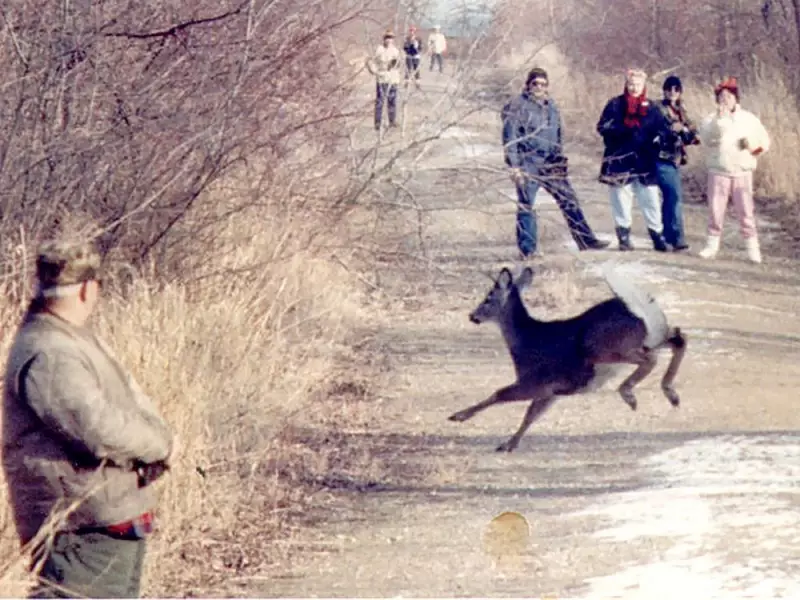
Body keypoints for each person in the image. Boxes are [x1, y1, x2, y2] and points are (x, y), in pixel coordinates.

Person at [2, 234, 174, 598]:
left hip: (103, 519)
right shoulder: (52, 352)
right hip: (79, 529)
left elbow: (125, 402)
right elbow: (98, 428)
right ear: (87, 290)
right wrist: (161, 443)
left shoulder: (68, 339)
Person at [502, 67, 611, 257]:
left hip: (550, 162)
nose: (539, 87)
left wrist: (559, 157)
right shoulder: (517, 106)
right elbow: (509, 137)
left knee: (569, 200)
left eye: (543, 84)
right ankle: (528, 250)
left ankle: (586, 240)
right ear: (527, 85)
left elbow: (558, 132)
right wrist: (515, 166)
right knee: (526, 205)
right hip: (528, 161)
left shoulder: (550, 105)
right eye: (535, 83)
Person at [696, 76, 770, 263]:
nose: (725, 100)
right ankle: (712, 246)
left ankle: (753, 249)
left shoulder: (749, 119)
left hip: (742, 172)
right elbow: (707, 139)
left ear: (736, 98)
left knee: (746, 211)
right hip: (719, 171)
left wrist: (751, 145)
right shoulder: (710, 120)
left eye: (729, 96)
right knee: (715, 210)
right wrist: (720, 122)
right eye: (721, 97)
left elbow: (764, 142)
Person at [597, 68, 670, 252]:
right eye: (631, 84)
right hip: (620, 158)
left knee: (650, 199)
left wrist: (658, 139)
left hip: (644, 160)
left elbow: (663, 130)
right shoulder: (615, 104)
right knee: (621, 199)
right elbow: (602, 126)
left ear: (644, 85)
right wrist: (621, 131)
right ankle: (623, 237)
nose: (634, 87)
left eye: (638, 84)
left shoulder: (652, 108)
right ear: (626, 84)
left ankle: (657, 236)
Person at [654, 74, 700, 252]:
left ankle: (666, 236)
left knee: (669, 198)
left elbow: (693, 136)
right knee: (674, 196)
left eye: (676, 89)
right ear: (664, 90)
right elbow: (652, 129)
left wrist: (685, 130)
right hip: (660, 157)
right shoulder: (657, 108)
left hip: (674, 160)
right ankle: (678, 237)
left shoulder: (682, 111)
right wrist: (670, 130)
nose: (672, 92)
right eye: (669, 88)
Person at [367, 29, 401, 131]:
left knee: (392, 101)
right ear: (384, 39)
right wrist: (374, 71)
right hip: (382, 78)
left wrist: (395, 65)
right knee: (380, 101)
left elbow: (398, 64)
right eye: (387, 37)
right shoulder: (379, 50)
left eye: (391, 38)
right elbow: (370, 61)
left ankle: (392, 121)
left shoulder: (395, 51)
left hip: (393, 78)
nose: (389, 40)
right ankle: (377, 123)